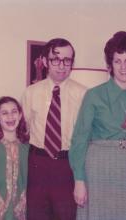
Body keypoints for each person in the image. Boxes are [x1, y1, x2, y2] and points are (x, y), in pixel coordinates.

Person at [69, 31, 126, 220]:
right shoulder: (94, 95)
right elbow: (80, 139)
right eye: (117, 61)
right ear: (110, 65)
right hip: (100, 168)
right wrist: (79, 180)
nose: (123, 67)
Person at [21, 38, 86, 220]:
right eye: (55, 59)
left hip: (67, 166)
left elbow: (84, 137)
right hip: (37, 164)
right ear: (45, 61)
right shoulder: (31, 92)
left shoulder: (83, 94)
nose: (61, 65)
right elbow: (22, 132)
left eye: (67, 60)